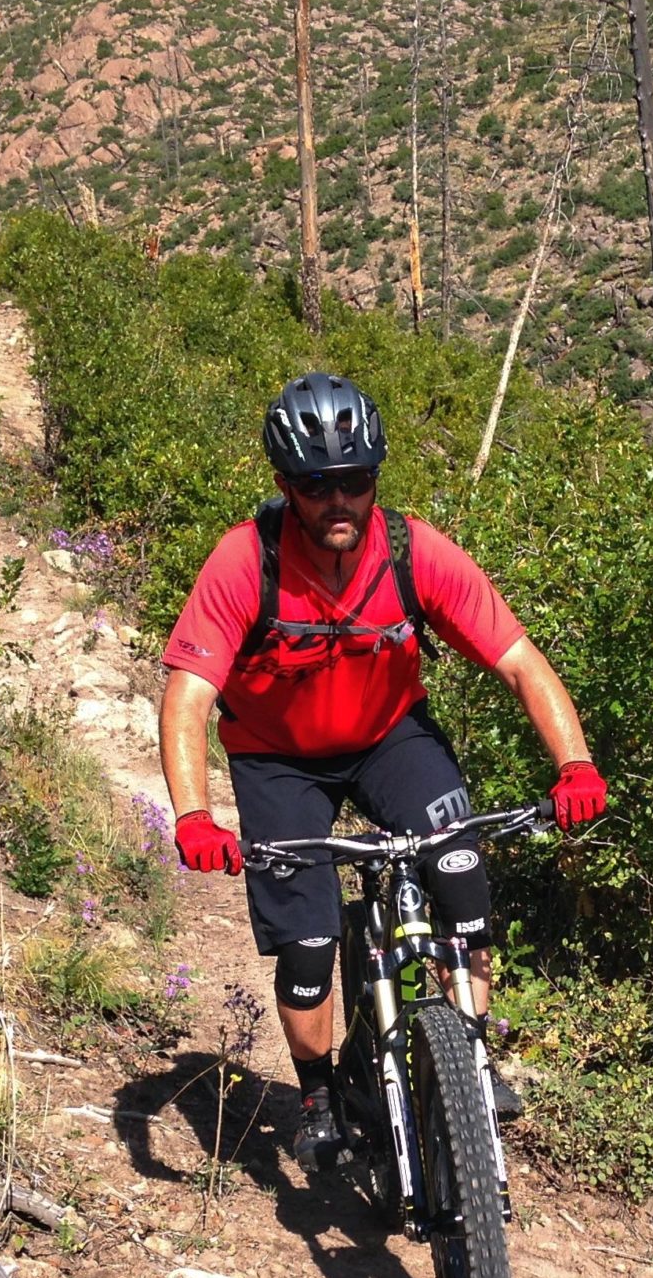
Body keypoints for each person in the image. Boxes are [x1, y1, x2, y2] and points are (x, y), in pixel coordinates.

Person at [158, 372, 607, 1161]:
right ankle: (319, 1092)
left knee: (461, 865)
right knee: (307, 942)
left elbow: (519, 662)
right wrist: (195, 816)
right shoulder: (245, 562)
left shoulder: (412, 551)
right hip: (278, 759)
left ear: (376, 477)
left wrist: (576, 765)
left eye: (356, 482)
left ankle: (468, 1051)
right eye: (316, 485)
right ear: (284, 487)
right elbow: (189, 696)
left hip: (390, 736)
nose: (339, 502)